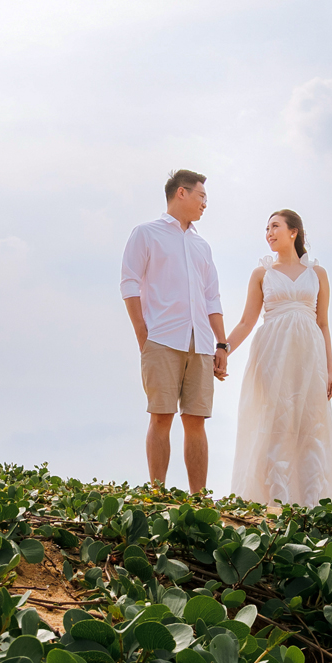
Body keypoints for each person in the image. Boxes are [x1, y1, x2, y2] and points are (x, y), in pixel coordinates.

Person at [119, 168, 229, 491]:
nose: (205, 204)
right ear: (181, 193)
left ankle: (198, 500)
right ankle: (157, 493)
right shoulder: (146, 233)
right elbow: (129, 283)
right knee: (161, 417)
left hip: (201, 345)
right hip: (161, 339)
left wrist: (221, 345)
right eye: (201, 196)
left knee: (197, 422)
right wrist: (143, 335)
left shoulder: (202, 247)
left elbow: (213, 298)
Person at [224, 208, 332, 506]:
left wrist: (330, 370)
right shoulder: (262, 273)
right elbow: (247, 322)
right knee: (276, 424)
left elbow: (323, 323)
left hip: (309, 356)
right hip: (272, 353)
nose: (269, 233)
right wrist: (223, 349)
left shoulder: (318, 274)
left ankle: (311, 506)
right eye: (266, 229)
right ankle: (275, 503)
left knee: (310, 427)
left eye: (275, 226)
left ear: (293, 232)